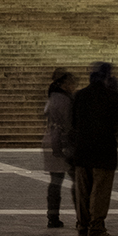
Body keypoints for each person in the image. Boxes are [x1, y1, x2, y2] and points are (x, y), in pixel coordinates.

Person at [70, 61, 118, 236]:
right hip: (104, 151)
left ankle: (82, 227)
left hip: (82, 150)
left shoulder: (79, 95)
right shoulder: (114, 97)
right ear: (108, 76)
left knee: (83, 191)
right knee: (99, 192)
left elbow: (72, 123)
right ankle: (96, 228)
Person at [41, 69, 76, 228]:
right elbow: (69, 123)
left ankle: (52, 217)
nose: (73, 85)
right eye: (71, 82)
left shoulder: (51, 98)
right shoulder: (64, 100)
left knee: (55, 181)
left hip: (50, 140)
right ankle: (82, 217)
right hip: (63, 142)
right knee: (77, 180)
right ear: (63, 83)